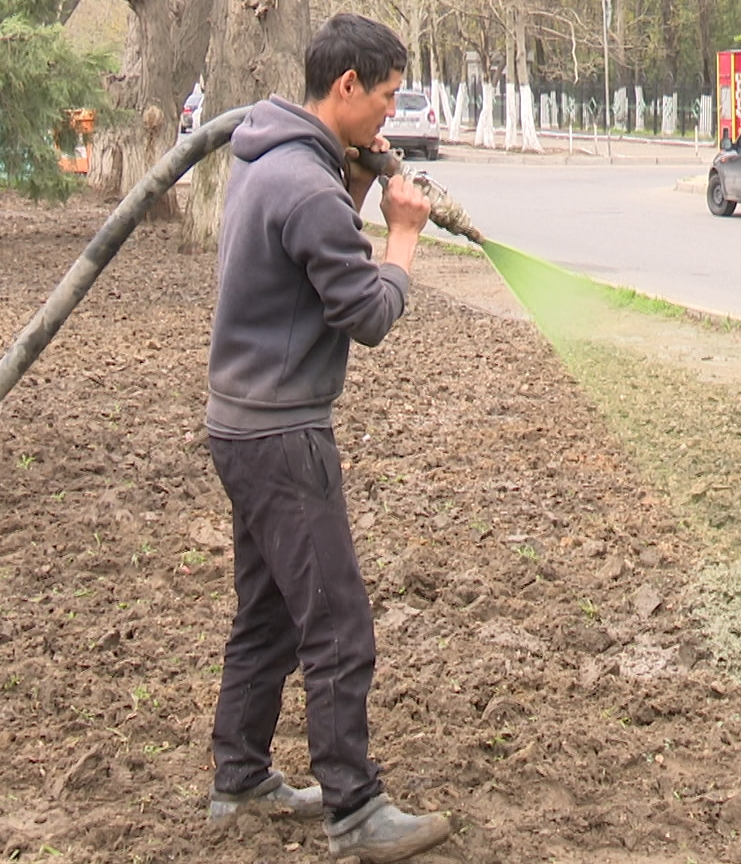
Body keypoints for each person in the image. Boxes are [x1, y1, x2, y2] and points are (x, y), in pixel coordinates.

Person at [201, 13, 449, 863]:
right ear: (346, 87)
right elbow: (367, 313)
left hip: (238, 424)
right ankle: (356, 810)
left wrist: (359, 192)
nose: (388, 120)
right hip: (281, 435)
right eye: (384, 101)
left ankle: (239, 779)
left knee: (268, 613)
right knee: (338, 625)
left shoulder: (275, 160)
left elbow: (310, 255)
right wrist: (404, 238)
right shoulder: (306, 185)